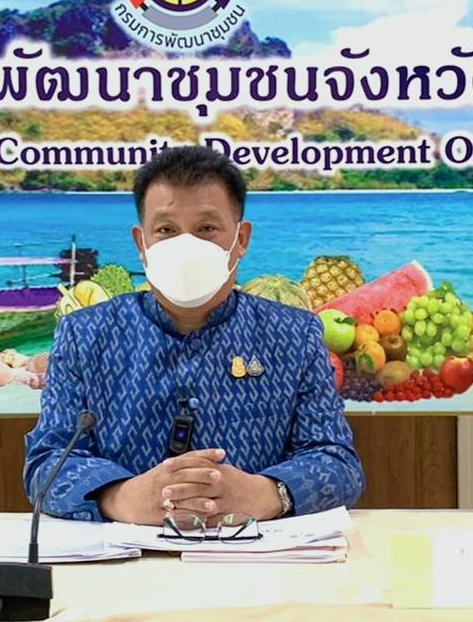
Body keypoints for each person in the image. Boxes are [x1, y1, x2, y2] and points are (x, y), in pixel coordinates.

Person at [23, 146, 364, 524]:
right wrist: (121, 498)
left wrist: (267, 493)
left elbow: (338, 463)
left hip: (258, 554)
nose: (186, 247)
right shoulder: (85, 334)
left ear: (241, 239)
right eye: (166, 230)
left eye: (206, 229)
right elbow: (46, 463)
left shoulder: (294, 335)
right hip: (128, 553)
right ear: (141, 244)